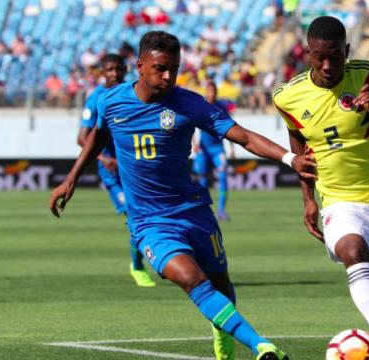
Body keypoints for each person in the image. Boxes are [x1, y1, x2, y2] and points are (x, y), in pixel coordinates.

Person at [50, 31, 316, 360]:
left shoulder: (188, 103)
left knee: (221, 285)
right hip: (150, 221)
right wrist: (72, 178)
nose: (168, 76)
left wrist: (290, 159)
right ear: (140, 66)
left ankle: (223, 333)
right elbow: (98, 135)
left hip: (193, 211)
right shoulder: (111, 101)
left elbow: (243, 136)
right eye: (161, 68)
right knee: (191, 279)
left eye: (174, 69)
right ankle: (262, 346)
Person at [272, 16, 369, 360]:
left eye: (335, 56)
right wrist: (308, 200)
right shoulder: (287, 96)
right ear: (307, 54)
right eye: (319, 57)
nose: (327, 65)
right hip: (340, 202)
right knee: (353, 253)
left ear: (346, 50)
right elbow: (299, 141)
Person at [78, 54, 155, 287]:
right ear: (102, 73)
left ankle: (151, 260)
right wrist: (103, 158)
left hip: (135, 169)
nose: (114, 74)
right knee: (134, 215)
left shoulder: (135, 93)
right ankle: (137, 266)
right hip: (112, 173)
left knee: (147, 216)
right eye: (109, 70)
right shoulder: (95, 99)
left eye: (118, 69)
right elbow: (82, 138)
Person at [192, 81, 235, 221]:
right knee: (201, 179)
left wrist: (232, 147)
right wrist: (194, 144)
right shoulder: (201, 105)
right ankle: (203, 209)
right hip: (203, 148)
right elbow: (192, 125)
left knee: (223, 176)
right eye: (209, 91)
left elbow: (230, 127)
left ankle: (221, 210)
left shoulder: (222, 107)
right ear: (206, 91)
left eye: (214, 91)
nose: (212, 93)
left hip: (218, 149)